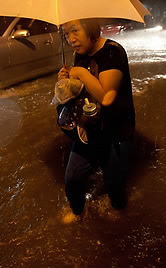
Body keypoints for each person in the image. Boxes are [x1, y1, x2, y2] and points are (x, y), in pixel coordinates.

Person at [57, 18, 135, 222]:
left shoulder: (112, 52)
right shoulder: (80, 54)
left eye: (75, 31)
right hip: (89, 128)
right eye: (66, 34)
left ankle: (120, 212)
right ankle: (77, 211)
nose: (71, 39)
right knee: (72, 177)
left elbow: (106, 97)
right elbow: (81, 91)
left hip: (116, 130)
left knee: (114, 183)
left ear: (91, 28)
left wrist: (81, 73)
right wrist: (66, 80)